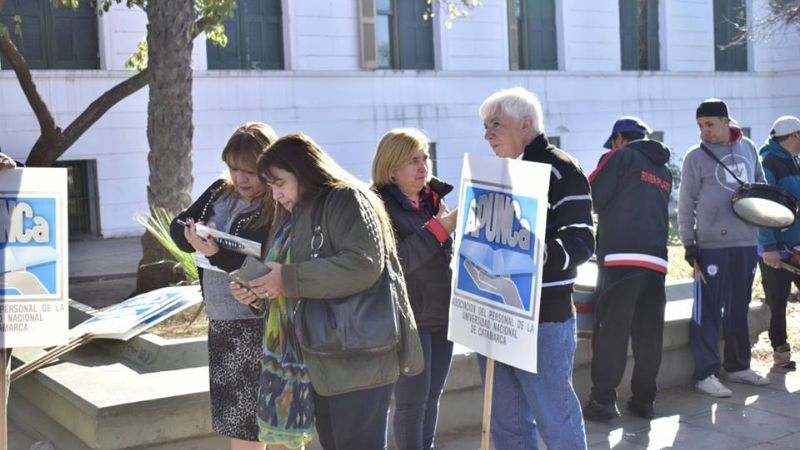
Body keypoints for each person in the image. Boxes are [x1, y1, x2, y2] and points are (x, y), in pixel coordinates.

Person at [230, 133, 424, 450]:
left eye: (280, 183)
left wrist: (287, 279)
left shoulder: (347, 199)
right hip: (324, 358)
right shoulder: (299, 211)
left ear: (303, 170)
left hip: (358, 358)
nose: (276, 195)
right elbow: (288, 277)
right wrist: (258, 290)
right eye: (272, 186)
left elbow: (363, 265)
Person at [478, 87, 594, 450]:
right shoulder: (496, 175)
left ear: (525, 123)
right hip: (493, 314)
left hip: (544, 318)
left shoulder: (561, 169)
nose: (487, 134)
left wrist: (530, 251)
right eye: (485, 126)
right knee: (506, 423)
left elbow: (581, 243)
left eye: (496, 124)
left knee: (555, 418)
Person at [170, 122, 276, 450]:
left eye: (249, 171)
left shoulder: (278, 202)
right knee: (238, 423)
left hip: (258, 322)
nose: (240, 178)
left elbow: (263, 270)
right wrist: (197, 231)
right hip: (223, 322)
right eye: (233, 168)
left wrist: (216, 253)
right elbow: (178, 229)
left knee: (266, 425)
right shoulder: (220, 189)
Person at [371, 128, 457, 450]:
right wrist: (439, 229)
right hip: (408, 319)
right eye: (412, 161)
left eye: (425, 158)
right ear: (391, 168)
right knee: (411, 401)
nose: (423, 167)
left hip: (441, 312)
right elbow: (395, 264)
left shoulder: (433, 200)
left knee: (432, 397)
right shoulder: (378, 206)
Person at [678, 98, 770, 398]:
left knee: (738, 306)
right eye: (700, 126)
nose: (705, 131)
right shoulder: (695, 156)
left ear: (726, 121)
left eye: (710, 125)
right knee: (707, 310)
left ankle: (738, 365)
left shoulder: (749, 148)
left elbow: (761, 187)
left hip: (745, 242)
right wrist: (689, 244)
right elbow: (686, 202)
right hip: (710, 246)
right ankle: (706, 373)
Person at [583, 117, 672, 421]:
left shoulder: (620, 156)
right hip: (657, 260)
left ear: (620, 138)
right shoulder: (663, 168)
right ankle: (644, 400)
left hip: (622, 256)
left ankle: (603, 401)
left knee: (612, 331)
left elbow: (591, 195)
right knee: (649, 334)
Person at [757, 115, 800, 371]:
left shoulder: (795, 161)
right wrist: (769, 247)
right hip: (777, 249)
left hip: (797, 246)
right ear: (795, 136)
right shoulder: (768, 162)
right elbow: (762, 207)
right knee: (777, 299)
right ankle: (780, 352)